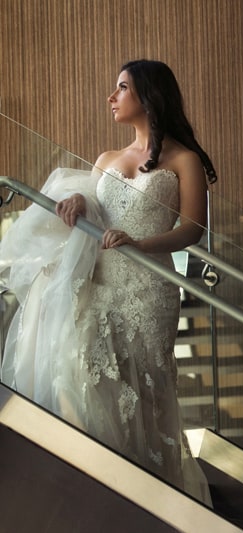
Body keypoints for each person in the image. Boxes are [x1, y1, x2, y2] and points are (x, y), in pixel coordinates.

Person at [0, 59, 215, 505]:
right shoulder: (106, 160)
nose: (111, 97)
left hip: (149, 288)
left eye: (121, 88)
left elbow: (192, 229)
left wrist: (141, 244)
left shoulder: (184, 160)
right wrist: (79, 200)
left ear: (149, 96)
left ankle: (145, 496)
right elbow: (95, 214)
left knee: (144, 395)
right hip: (97, 282)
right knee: (79, 373)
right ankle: (96, 488)